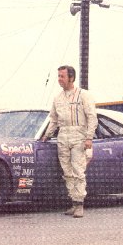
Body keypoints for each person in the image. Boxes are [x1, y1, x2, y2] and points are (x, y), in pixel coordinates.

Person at [42, 65, 98, 218]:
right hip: (63, 136)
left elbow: (92, 117)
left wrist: (89, 138)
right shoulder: (57, 98)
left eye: (62, 76)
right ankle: (74, 202)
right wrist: (47, 135)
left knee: (78, 170)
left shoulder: (83, 95)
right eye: (58, 76)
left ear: (71, 78)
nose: (59, 79)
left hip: (79, 135)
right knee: (67, 172)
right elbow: (53, 119)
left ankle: (80, 204)